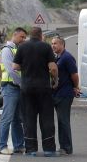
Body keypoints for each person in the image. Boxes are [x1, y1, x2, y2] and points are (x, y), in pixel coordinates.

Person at [12, 26, 59, 157]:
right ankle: (49, 149)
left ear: (29, 36)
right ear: (40, 35)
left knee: (28, 119)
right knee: (47, 119)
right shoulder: (46, 47)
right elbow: (53, 68)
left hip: (27, 88)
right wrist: (55, 80)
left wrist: (26, 66)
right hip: (43, 88)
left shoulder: (22, 47)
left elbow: (15, 66)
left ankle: (31, 149)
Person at [0, 27, 27, 155]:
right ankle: (2, 146)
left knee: (17, 119)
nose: (23, 39)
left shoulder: (16, 49)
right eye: (21, 37)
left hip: (17, 88)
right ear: (14, 35)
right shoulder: (7, 50)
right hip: (10, 87)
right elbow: (10, 70)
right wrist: (22, 83)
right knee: (7, 118)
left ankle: (19, 145)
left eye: (25, 37)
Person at [51, 36, 79, 155]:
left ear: (62, 44)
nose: (53, 46)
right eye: (52, 43)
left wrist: (75, 87)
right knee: (60, 120)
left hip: (65, 93)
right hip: (57, 93)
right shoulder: (58, 57)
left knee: (63, 120)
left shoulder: (67, 57)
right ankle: (63, 146)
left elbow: (74, 74)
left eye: (55, 43)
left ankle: (66, 148)